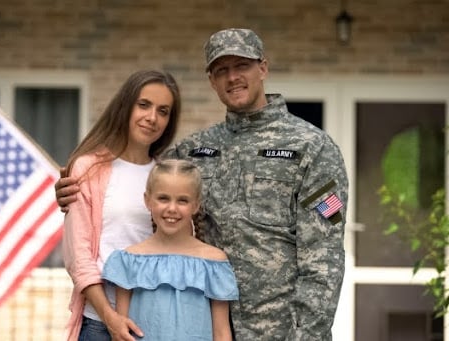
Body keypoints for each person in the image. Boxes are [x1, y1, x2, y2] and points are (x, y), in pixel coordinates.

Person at [57, 28, 349, 340]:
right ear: (211, 80)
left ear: (263, 68)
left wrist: (307, 335)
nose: (232, 77)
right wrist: (70, 190)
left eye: (242, 66)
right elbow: (138, 177)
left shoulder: (312, 148)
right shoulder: (194, 150)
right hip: (200, 326)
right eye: (221, 70)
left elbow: (324, 260)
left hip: (278, 330)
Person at [62, 69, 182, 341]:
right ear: (126, 106)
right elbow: (78, 257)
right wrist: (110, 317)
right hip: (100, 324)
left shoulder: (166, 175)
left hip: (158, 322)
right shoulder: (89, 169)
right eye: (144, 105)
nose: (152, 118)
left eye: (163, 111)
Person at [103, 159, 239, 340]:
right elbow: (121, 332)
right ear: (147, 200)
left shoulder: (213, 262)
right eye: (163, 198)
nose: (172, 208)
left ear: (196, 205)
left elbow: (222, 332)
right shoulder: (130, 260)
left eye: (182, 200)